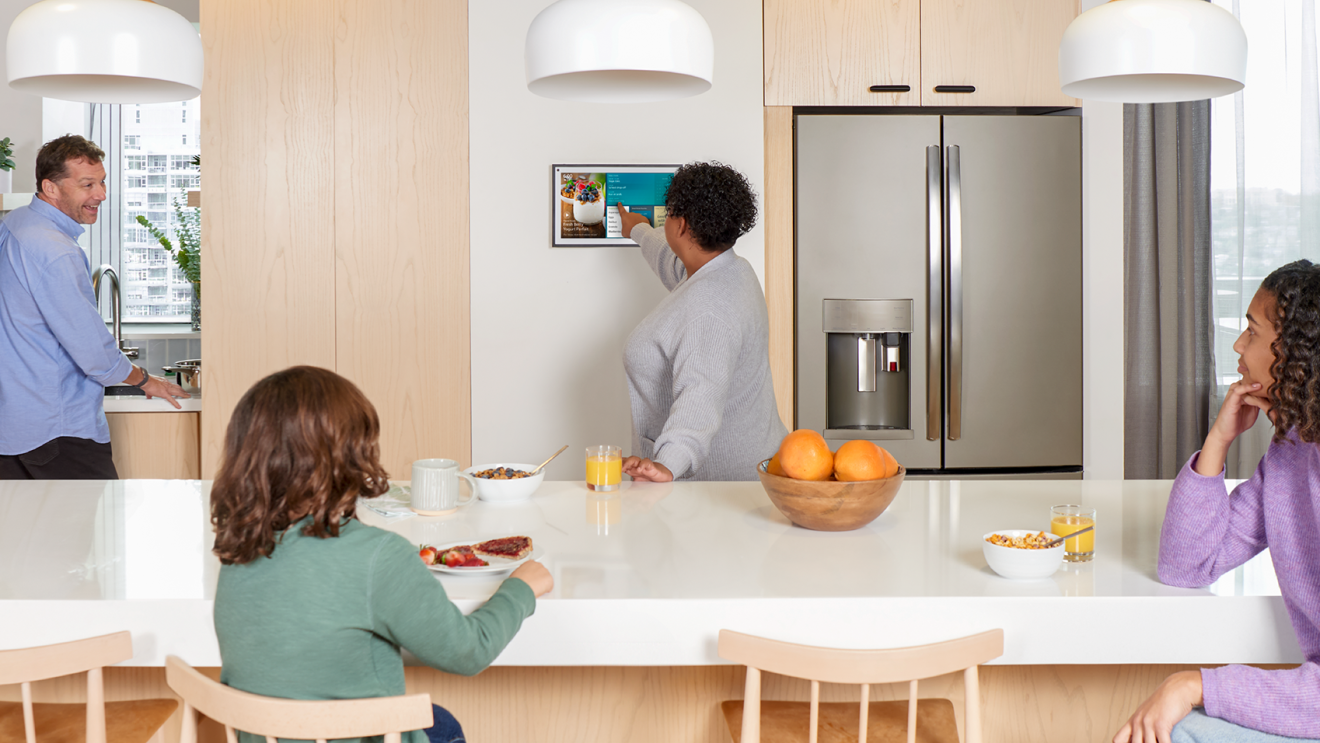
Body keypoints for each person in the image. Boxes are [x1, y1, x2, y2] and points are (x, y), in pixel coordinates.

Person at [211, 365, 552, 743]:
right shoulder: (379, 556)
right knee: (443, 727)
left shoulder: (237, 553)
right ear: (352, 454)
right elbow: (468, 652)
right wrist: (520, 589)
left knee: (438, 721)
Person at [1115, 260, 1320, 743]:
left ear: (1295, 350)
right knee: (1176, 731)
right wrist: (1219, 441)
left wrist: (1195, 684)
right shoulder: (1292, 453)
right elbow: (1187, 565)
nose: (1237, 346)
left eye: (1251, 331)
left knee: (1177, 729)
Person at [0, 134, 187, 480]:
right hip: (57, 431)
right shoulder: (56, 251)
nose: (100, 194)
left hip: (14, 428)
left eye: (101, 182)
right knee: (93, 532)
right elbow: (92, 350)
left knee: (23, 533)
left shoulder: (16, 223)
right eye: (87, 184)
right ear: (51, 187)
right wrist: (143, 379)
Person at [615, 161, 788, 483]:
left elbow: (700, 395)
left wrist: (667, 463)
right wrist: (638, 230)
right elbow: (677, 265)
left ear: (679, 225)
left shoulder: (708, 312)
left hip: (722, 485)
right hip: (753, 456)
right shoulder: (733, 271)